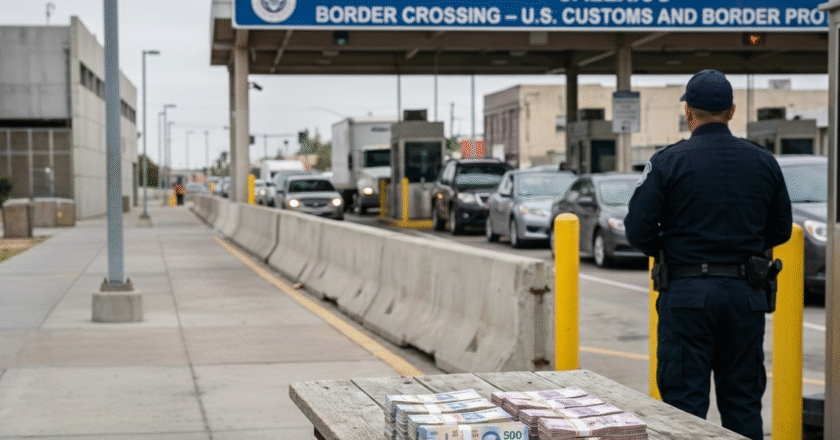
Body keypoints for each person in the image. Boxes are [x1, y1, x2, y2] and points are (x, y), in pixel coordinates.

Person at [623, 69, 792, 440]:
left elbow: (637, 230)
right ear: (732, 112)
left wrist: (670, 250)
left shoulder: (669, 161)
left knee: (683, 408)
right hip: (746, 297)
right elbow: (780, 230)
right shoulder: (763, 162)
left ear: (688, 113)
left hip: (687, 297)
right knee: (744, 402)